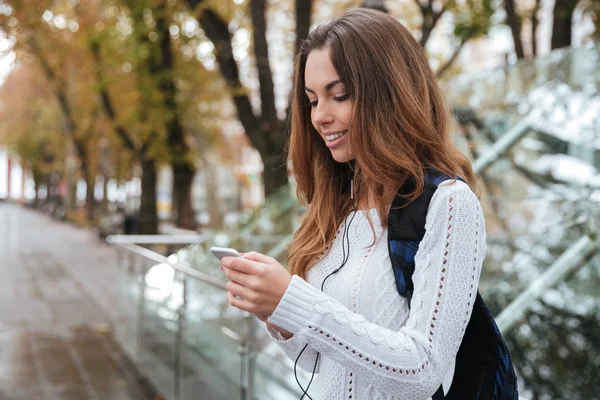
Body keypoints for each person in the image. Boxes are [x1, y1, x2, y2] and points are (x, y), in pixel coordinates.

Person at [221, 8, 492, 399]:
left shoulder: (449, 205)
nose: (320, 117)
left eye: (340, 95)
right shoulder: (337, 207)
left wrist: (296, 301)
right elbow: (318, 360)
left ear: (390, 92)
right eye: (313, 100)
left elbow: (423, 371)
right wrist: (277, 313)